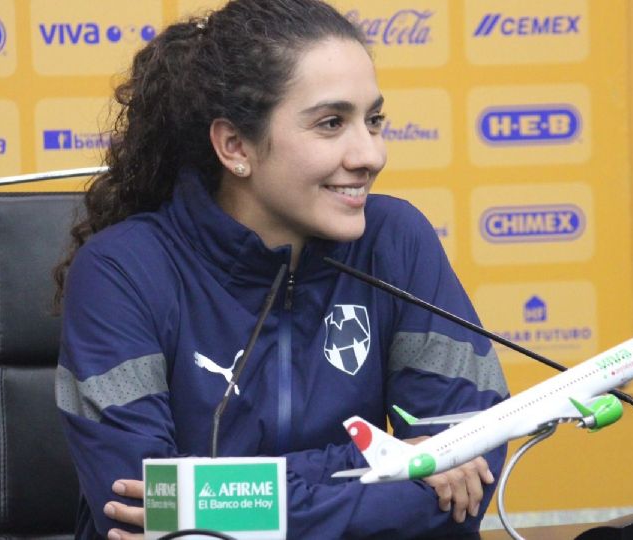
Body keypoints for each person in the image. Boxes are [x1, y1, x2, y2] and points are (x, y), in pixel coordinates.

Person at [54, 1, 509, 538]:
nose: (370, 154)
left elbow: (466, 484)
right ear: (235, 146)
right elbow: (149, 508)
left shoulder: (396, 241)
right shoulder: (120, 272)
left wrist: (221, 498)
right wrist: (377, 465)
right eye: (332, 123)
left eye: (374, 120)